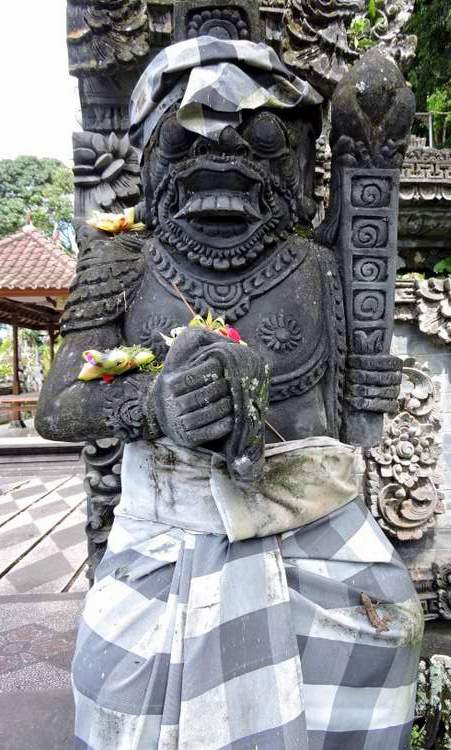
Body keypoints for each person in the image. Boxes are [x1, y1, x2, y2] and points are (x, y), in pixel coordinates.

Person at [37, 35, 423, 750]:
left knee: (387, 635)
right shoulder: (122, 258)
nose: (223, 163)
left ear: (303, 163)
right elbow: (57, 403)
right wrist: (151, 404)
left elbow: (351, 411)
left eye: (261, 140)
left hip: (314, 537)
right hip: (167, 538)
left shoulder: (318, 264)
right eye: (184, 144)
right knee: (115, 677)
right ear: (147, 160)